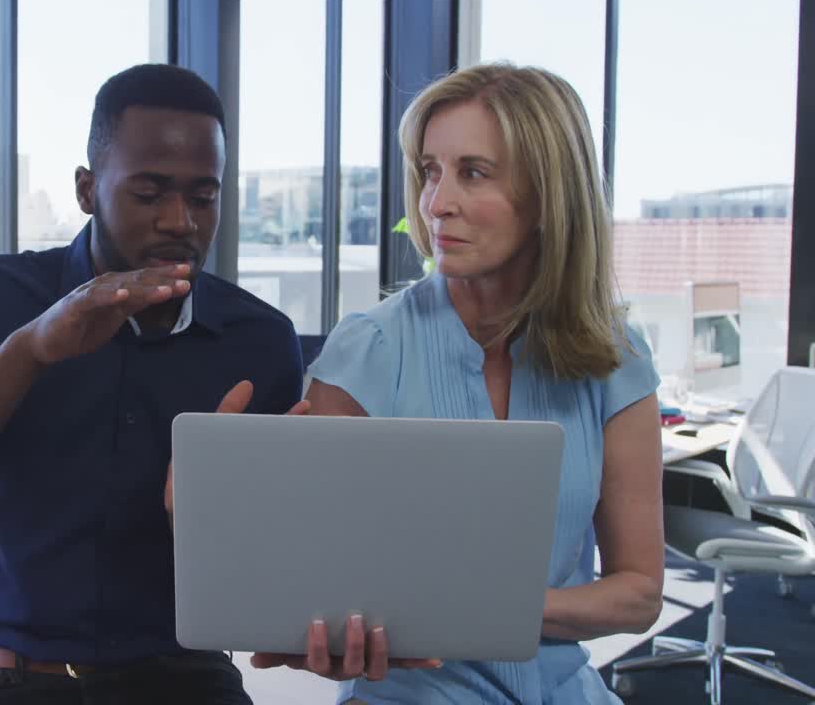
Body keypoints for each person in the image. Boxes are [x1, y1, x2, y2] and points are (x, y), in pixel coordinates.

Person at [0, 64, 305, 703]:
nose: (180, 221)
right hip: (20, 678)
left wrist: (218, 515)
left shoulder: (262, 340)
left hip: (190, 678)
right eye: (149, 193)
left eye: (203, 197)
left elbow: (281, 569)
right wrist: (28, 351)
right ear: (87, 190)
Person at [252, 63, 664, 703]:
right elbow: (324, 593)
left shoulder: (615, 357)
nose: (436, 201)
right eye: (429, 171)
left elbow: (637, 593)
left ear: (549, 194)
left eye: (472, 172)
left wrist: (468, 612)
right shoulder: (369, 350)